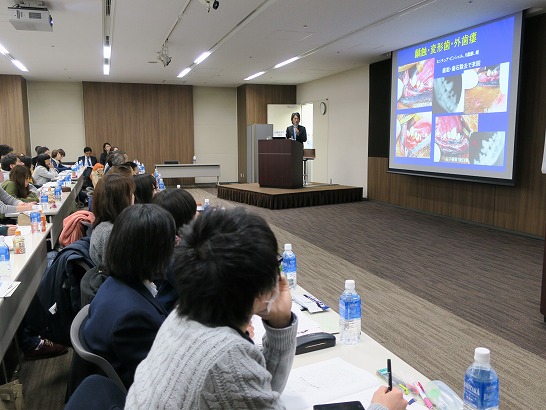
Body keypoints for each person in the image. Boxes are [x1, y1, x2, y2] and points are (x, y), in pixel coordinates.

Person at [126, 207, 298, 408]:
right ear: (261, 290)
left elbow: (260, 392)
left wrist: (279, 322)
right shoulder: (226, 358)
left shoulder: (180, 315)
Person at [83, 204, 175, 388]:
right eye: (172, 243)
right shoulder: (133, 317)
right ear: (155, 252)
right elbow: (162, 378)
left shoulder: (115, 283)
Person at [89, 173, 135, 267]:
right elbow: (119, 270)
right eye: (130, 194)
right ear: (121, 201)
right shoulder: (110, 232)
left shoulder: (105, 225)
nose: (133, 196)